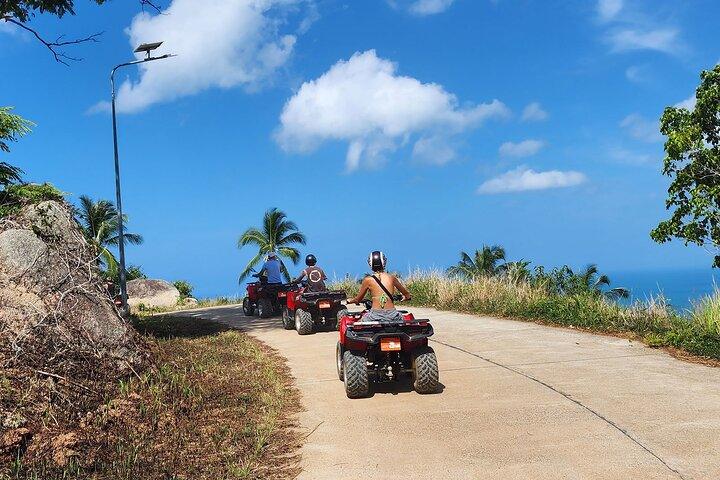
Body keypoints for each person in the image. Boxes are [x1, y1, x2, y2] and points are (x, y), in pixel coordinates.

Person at [345, 251, 412, 322]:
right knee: (406, 318)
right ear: (384, 262)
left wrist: (349, 301)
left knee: (356, 323)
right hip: (392, 315)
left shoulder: (367, 280)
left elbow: (357, 300)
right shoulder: (392, 278)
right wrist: (405, 297)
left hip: (375, 315)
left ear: (370, 264)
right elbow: (407, 295)